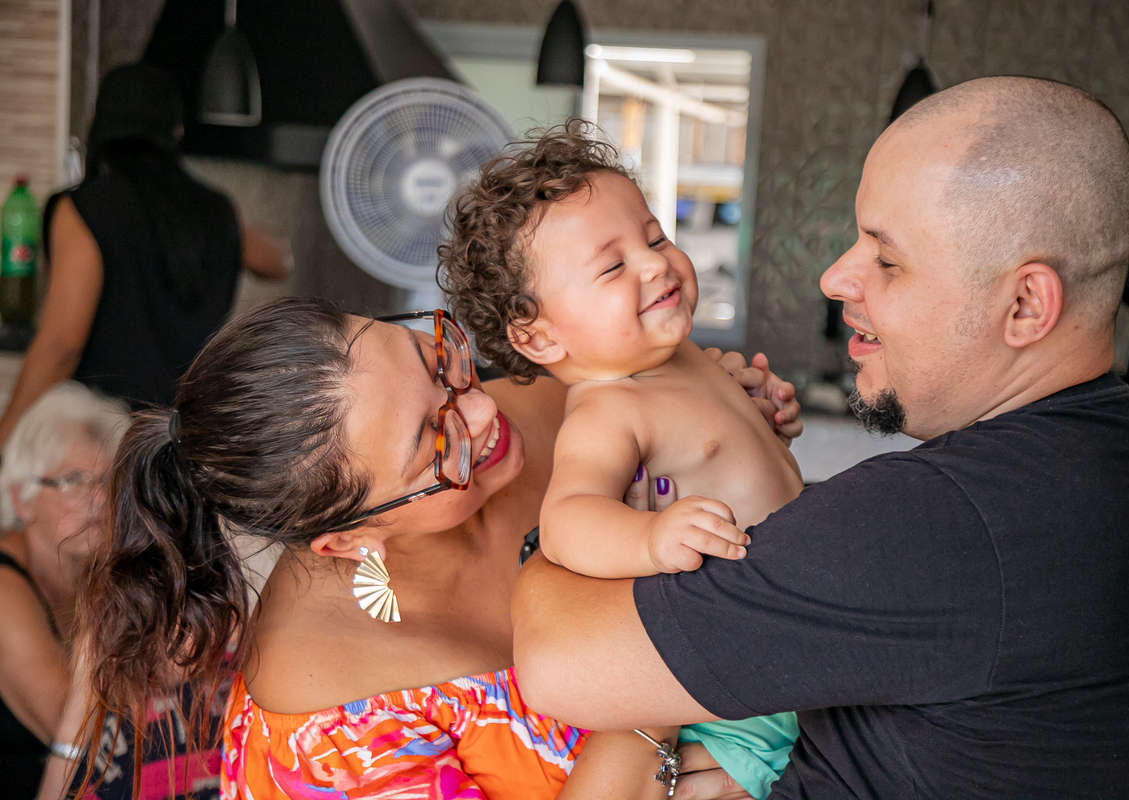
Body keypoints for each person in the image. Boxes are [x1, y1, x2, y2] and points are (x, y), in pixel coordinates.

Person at [510, 76, 1129, 798]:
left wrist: (559, 533)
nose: (834, 278)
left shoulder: (941, 523)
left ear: (1026, 305)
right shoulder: (1093, 459)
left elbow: (558, 665)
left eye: (887, 259)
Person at [76, 296, 802, 799]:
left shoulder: (563, 406)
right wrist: (658, 705)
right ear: (345, 537)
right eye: (437, 444)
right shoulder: (326, 723)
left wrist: (729, 419)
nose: (487, 411)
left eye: (439, 361)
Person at [440, 126, 803, 799]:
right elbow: (570, 519)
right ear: (538, 333)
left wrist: (767, 417)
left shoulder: (684, 356)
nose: (656, 265)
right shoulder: (609, 410)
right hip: (737, 705)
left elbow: (732, 455)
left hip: (789, 635)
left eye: (656, 238)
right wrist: (652, 538)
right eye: (613, 267)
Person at [0, 63, 290, 447]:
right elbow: (280, 262)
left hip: (105, 445)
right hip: (186, 441)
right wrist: (223, 222)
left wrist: (7, 438)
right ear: (175, 131)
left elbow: (61, 345)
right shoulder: (216, 210)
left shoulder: (86, 207)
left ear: (96, 123)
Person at [0, 382, 128, 799]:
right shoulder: (4, 585)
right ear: (22, 499)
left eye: (109, 480)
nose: (98, 500)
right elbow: (71, 728)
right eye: (74, 481)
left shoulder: (102, 570)